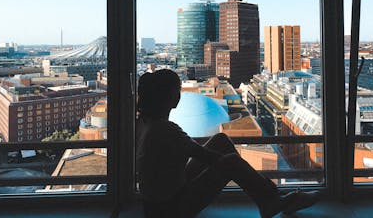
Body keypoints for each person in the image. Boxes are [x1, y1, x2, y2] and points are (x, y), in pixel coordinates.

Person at [136, 69, 320, 218]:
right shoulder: (165, 130)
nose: (179, 96)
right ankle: (271, 200)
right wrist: (234, 165)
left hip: (156, 205)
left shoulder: (146, 124)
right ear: (171, 98)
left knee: (220, 140)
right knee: (229, 160)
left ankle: (270, 198)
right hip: (170, 210)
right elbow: (209, 158)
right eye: (177, 91)